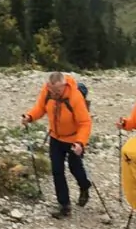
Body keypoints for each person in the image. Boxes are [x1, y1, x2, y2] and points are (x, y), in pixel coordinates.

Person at [22, 68, 93, 217]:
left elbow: (85, 122)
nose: (54, 94)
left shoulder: (75, 97)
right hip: (55, 137)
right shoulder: (47, 91)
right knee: (57, 171)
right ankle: (64, 206)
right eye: (51, 90)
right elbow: (40, 108)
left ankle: (84, 186)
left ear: (64, 85)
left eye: (57, 91)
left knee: (75, 168)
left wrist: (80, 143)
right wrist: (30, 117)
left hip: (74, 139)